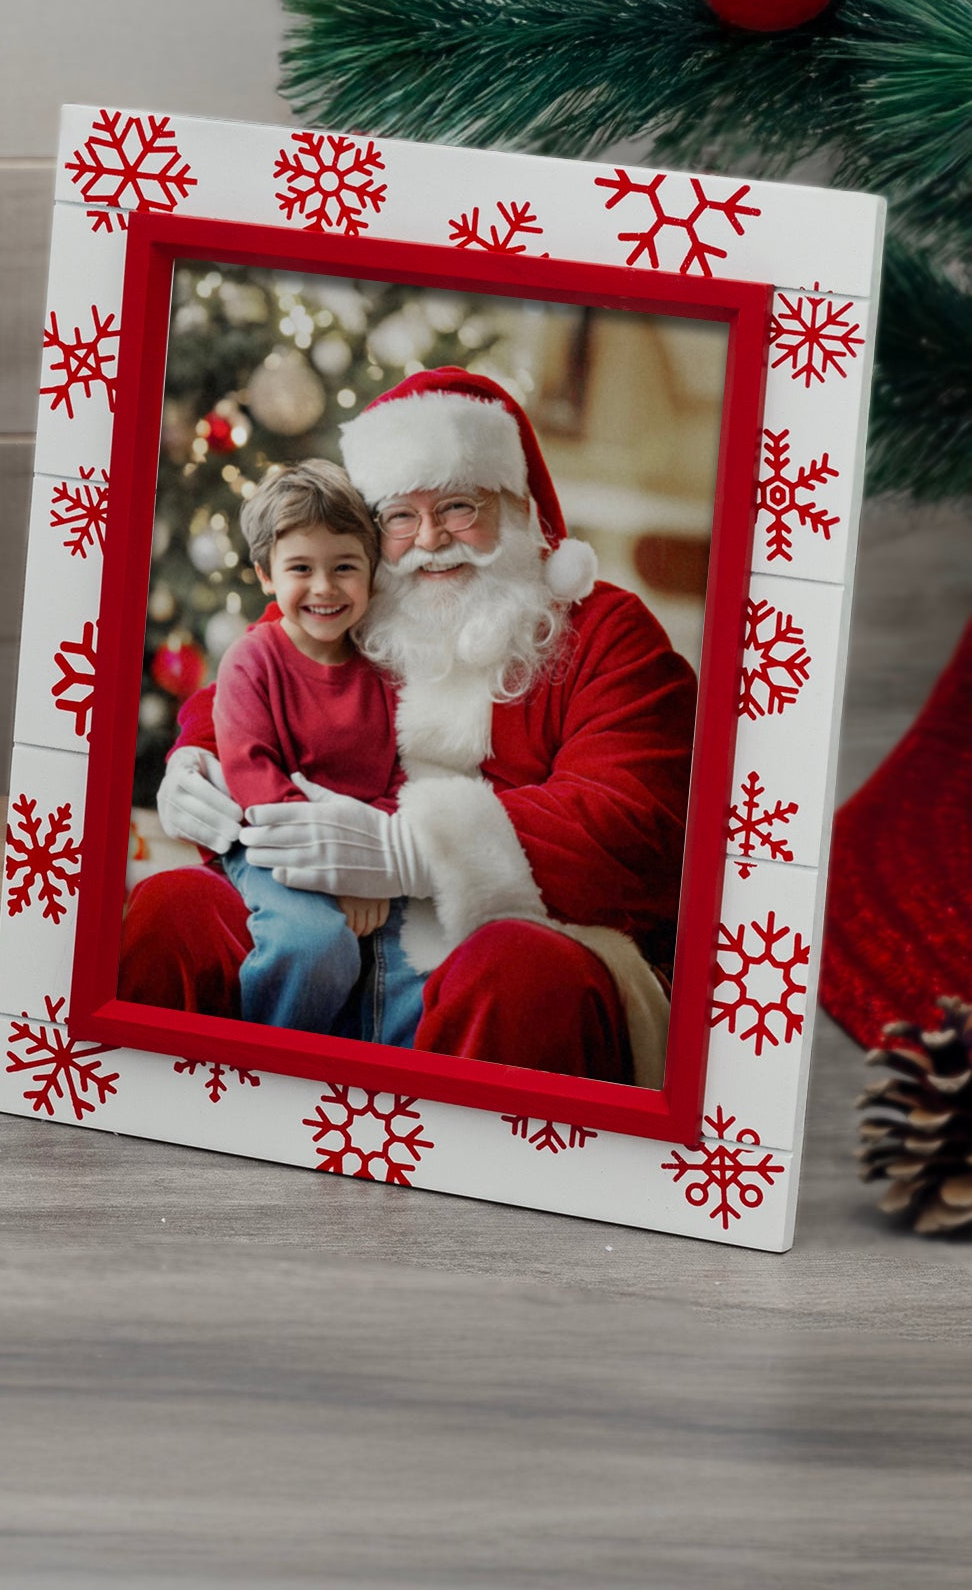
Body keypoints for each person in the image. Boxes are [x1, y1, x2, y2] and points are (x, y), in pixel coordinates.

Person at [126, 367, 692, 1086]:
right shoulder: (355, 606)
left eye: (458, 505)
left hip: (523, 935)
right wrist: (194, 763)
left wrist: (413, 851)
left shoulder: (608, 632)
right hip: (328, 922)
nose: (429, 539)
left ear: (519, 508)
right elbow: (244, 687)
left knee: (519, 975)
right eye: (399, 515)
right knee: (175, 910)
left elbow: (636, 820)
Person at [214, 462, 399, 1033]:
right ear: (267, 576)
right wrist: (335, 874)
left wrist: (371, 866)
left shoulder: (387, 672)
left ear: (372, 574)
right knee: (315, 945)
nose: (324, 587)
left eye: (345, 567)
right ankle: (264, 1072)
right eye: (301, 568)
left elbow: (406, 776)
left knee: (418, 955)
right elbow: (253, 777)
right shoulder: (252, 659)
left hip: (368, 851)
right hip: (273, 845)